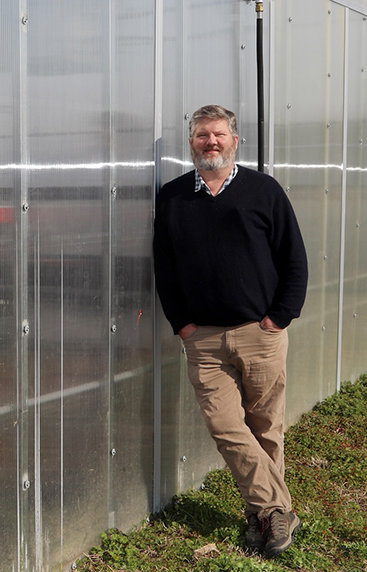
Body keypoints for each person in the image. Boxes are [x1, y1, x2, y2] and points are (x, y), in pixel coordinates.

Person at [153, 104, 309, 558]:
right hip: (202, 339)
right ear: (192, 142)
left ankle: (262, 517)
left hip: (259, 331)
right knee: (225, 426)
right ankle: (278, 508)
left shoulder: (264, 191)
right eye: (202, 135)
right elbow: (164, 266)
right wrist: (181, 323)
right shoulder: (174, 196)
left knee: (265, 427)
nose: (211, 143)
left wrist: (280, 316)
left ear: (235, 141)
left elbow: (293, 259)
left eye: (218, 135)